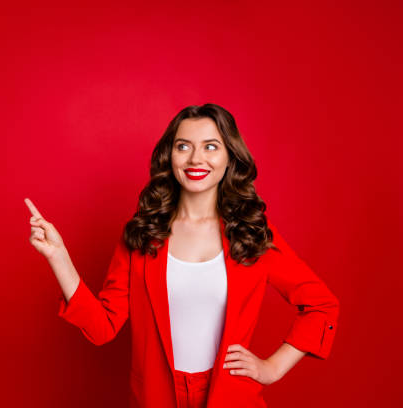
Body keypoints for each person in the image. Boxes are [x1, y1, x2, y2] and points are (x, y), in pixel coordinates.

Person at [24, 103, 340, 408]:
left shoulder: (251, 233)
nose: (195, 159)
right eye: (183, 146)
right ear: (170, 156)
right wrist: (59, 257)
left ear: (230, 156)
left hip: (230, 395)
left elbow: (321, 306)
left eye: (211, 146)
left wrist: (273, 368)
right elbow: (103, 327)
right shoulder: (143, 233)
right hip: (156, 396)